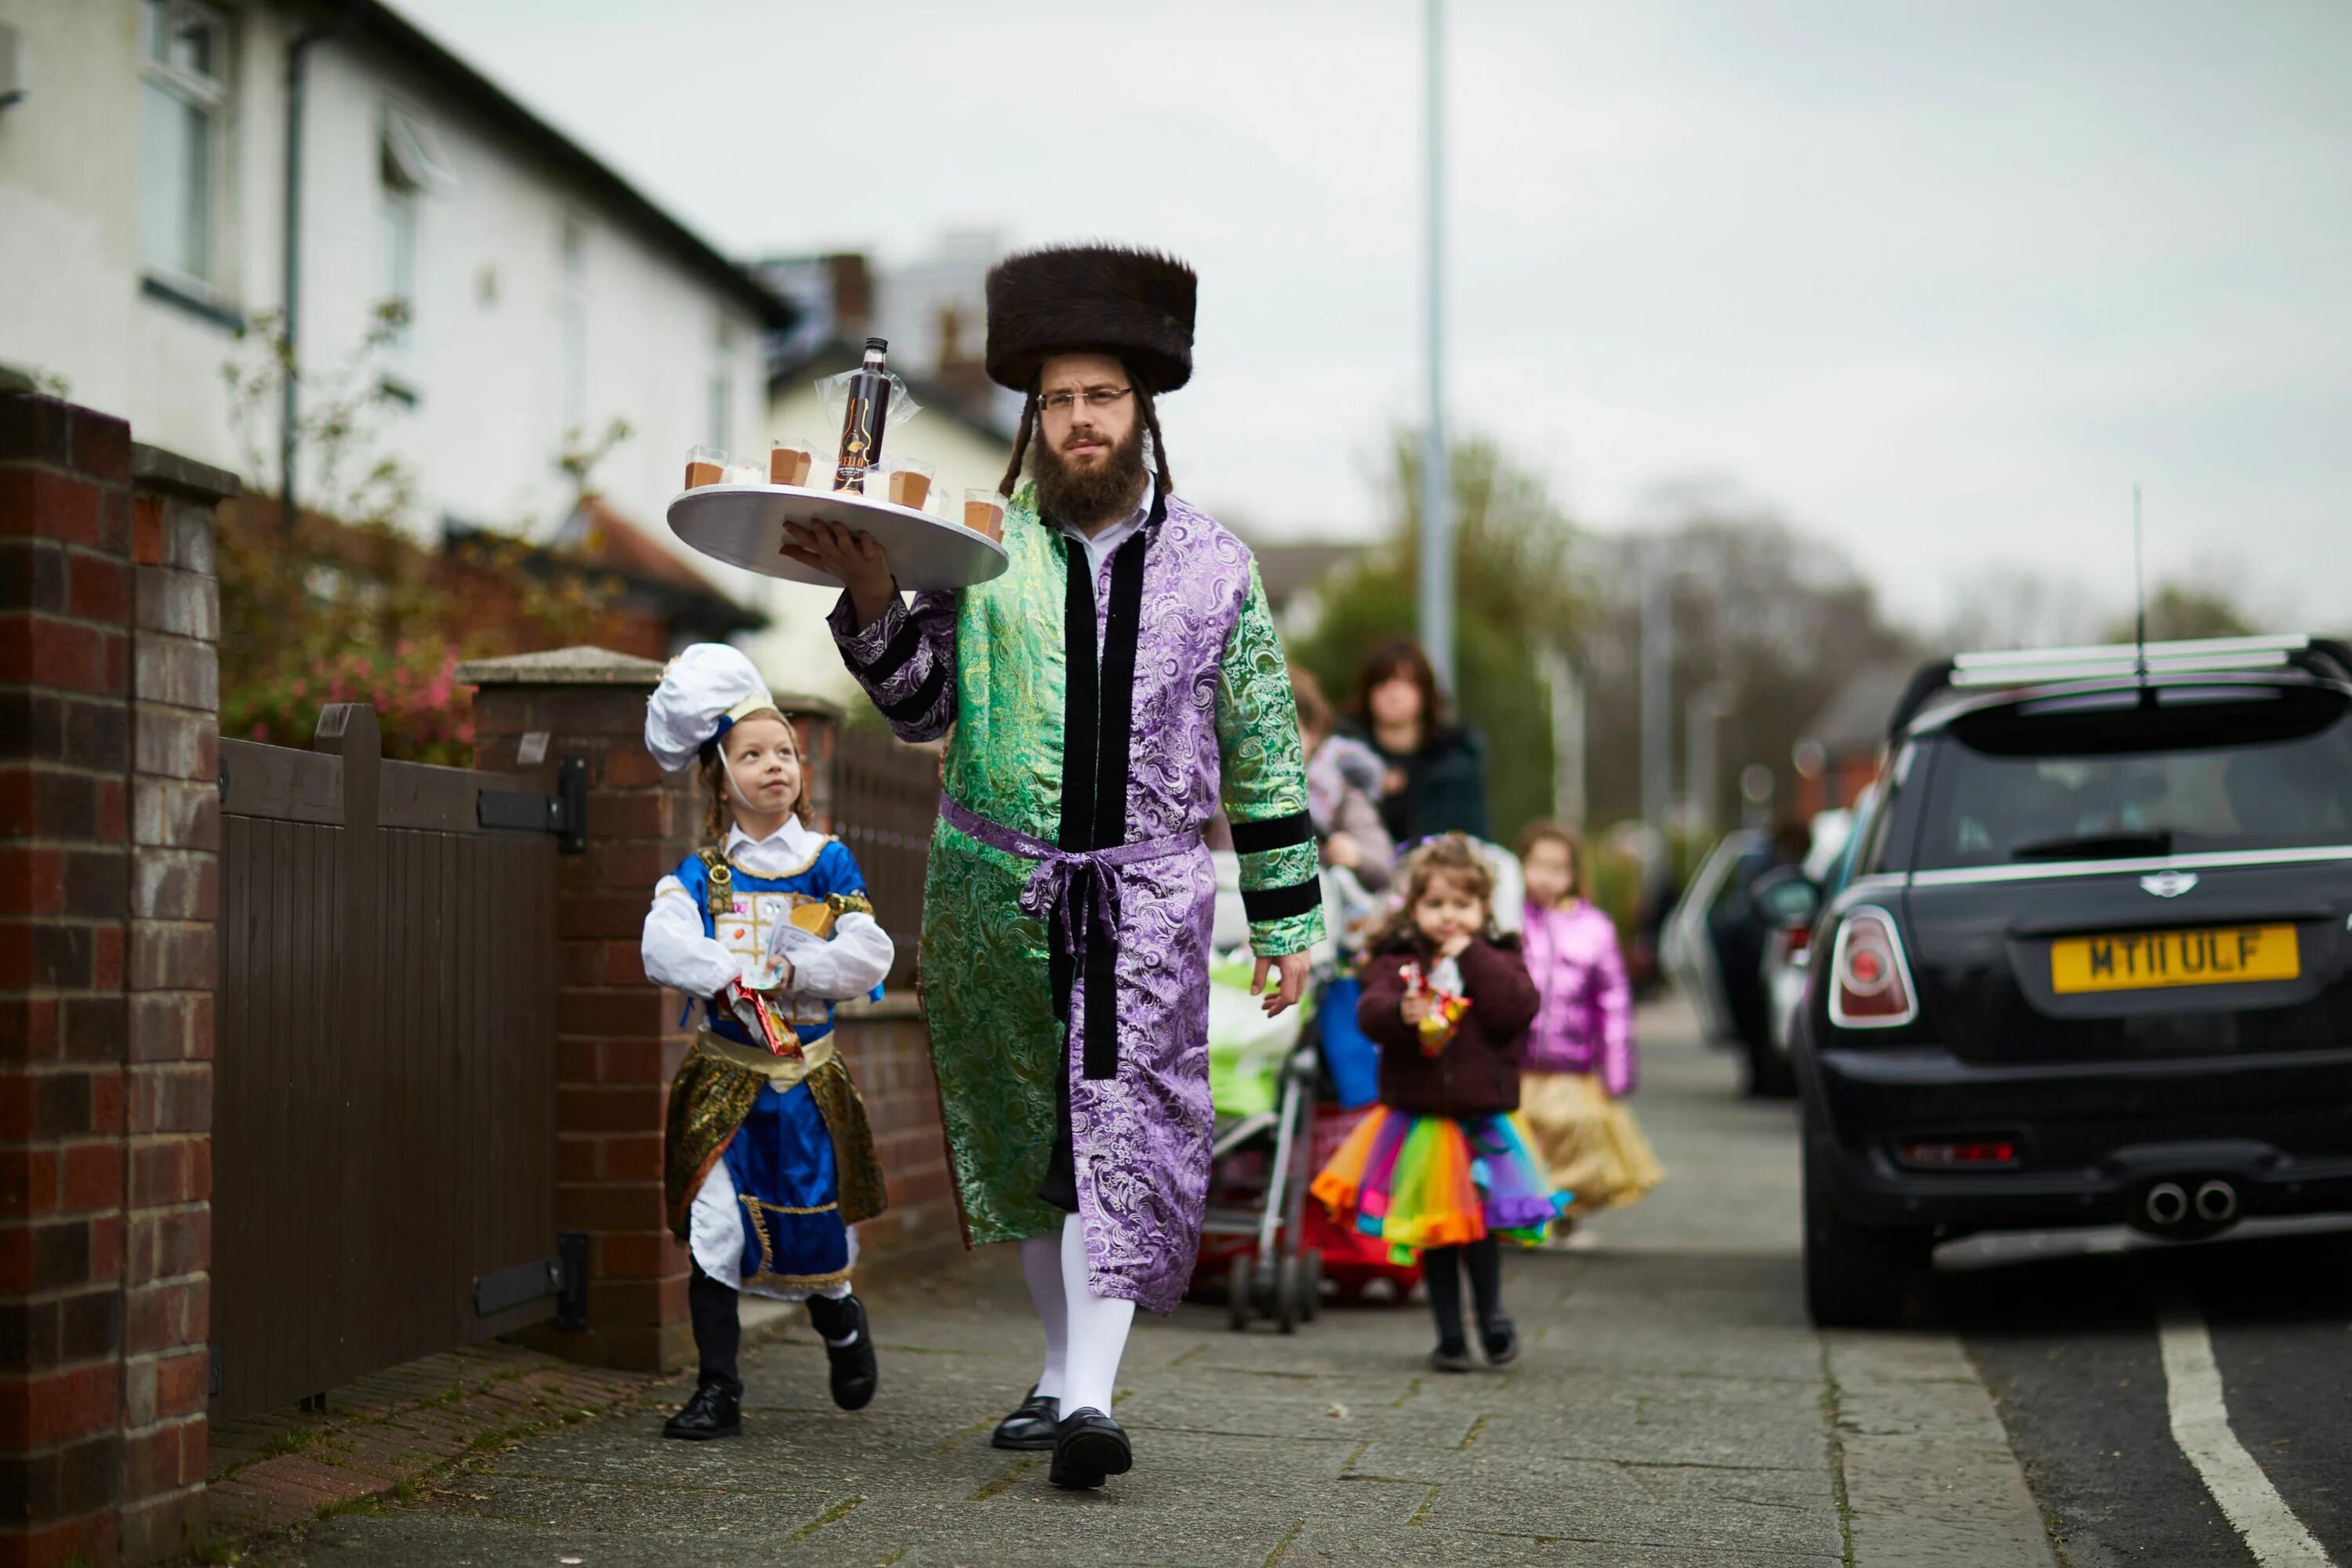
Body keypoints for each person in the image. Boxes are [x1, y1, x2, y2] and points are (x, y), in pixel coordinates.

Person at [783, 244, 1322, 1490]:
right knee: (1032, 1150)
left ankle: (1088, 1400)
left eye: (1103, 397)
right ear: (1036, 418)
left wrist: (1288, 921)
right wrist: (869, 589)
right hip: (992, 891)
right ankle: (1057, 1371)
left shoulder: (1217, 567)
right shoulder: (976, 548)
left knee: (1123, 1137)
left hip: (1148, 899)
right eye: (1059, 400)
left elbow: (1264, 753)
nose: (1080, 420)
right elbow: (919, 712)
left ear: (1144, 412)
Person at [639, 645, 895, 1441]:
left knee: (814, 1236)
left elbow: (871, 950)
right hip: (725, 1084)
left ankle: (841, 1318)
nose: (774, 764)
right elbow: (659, 941)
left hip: (804, 1087)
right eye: (752, 754)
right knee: (716, 1232)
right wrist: (723, 971)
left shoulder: (827, 862)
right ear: (720, 776)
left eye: (784, 750)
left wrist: (799, 968)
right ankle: (719, 1388)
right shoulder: (704, 873)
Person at [1311, 835, 1564, 1371]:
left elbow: (1516, 1010)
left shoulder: (1499, 953)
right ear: (1412, 905)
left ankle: (1493, 1318)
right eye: (1436, 904)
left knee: (1480, 1228)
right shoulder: (1396, 960)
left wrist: (1471, 955)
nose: (1449, 916)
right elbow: (1370, 1012)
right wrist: (1401, 1013)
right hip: (1420, 1121)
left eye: (1462, 905)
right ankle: (1449, 1335)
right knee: (1436, 1234)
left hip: (1480, 1118)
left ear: (1483, 907)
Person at [1514, 822, 1662, 1229]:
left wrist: (1615, 1071)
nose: (1547, 878)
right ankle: (1525, 1212)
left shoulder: (1594, 928)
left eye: (1558, 868)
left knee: (1572, 1138)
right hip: (1516, 1064)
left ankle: (1562, 1208)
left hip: (1571, 1067)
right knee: (1521, 1140)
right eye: (1538, 865)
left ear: (1574, 875)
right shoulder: (1507, 920)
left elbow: (1613, 1003)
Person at [1347, 637, 1490, 844]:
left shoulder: (1457, 765)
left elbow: (1476, 842)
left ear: (1425, 693)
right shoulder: (1344, 758)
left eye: (1406, 683)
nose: (1393, 694)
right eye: (1383, 683)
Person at [1290, 662, 1394, 896]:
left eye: (1287, 731)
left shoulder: (1337, 792)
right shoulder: (1218, 794)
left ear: (1314, 733)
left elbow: (1384, 861)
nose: (1272, 746)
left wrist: (1357, 855)